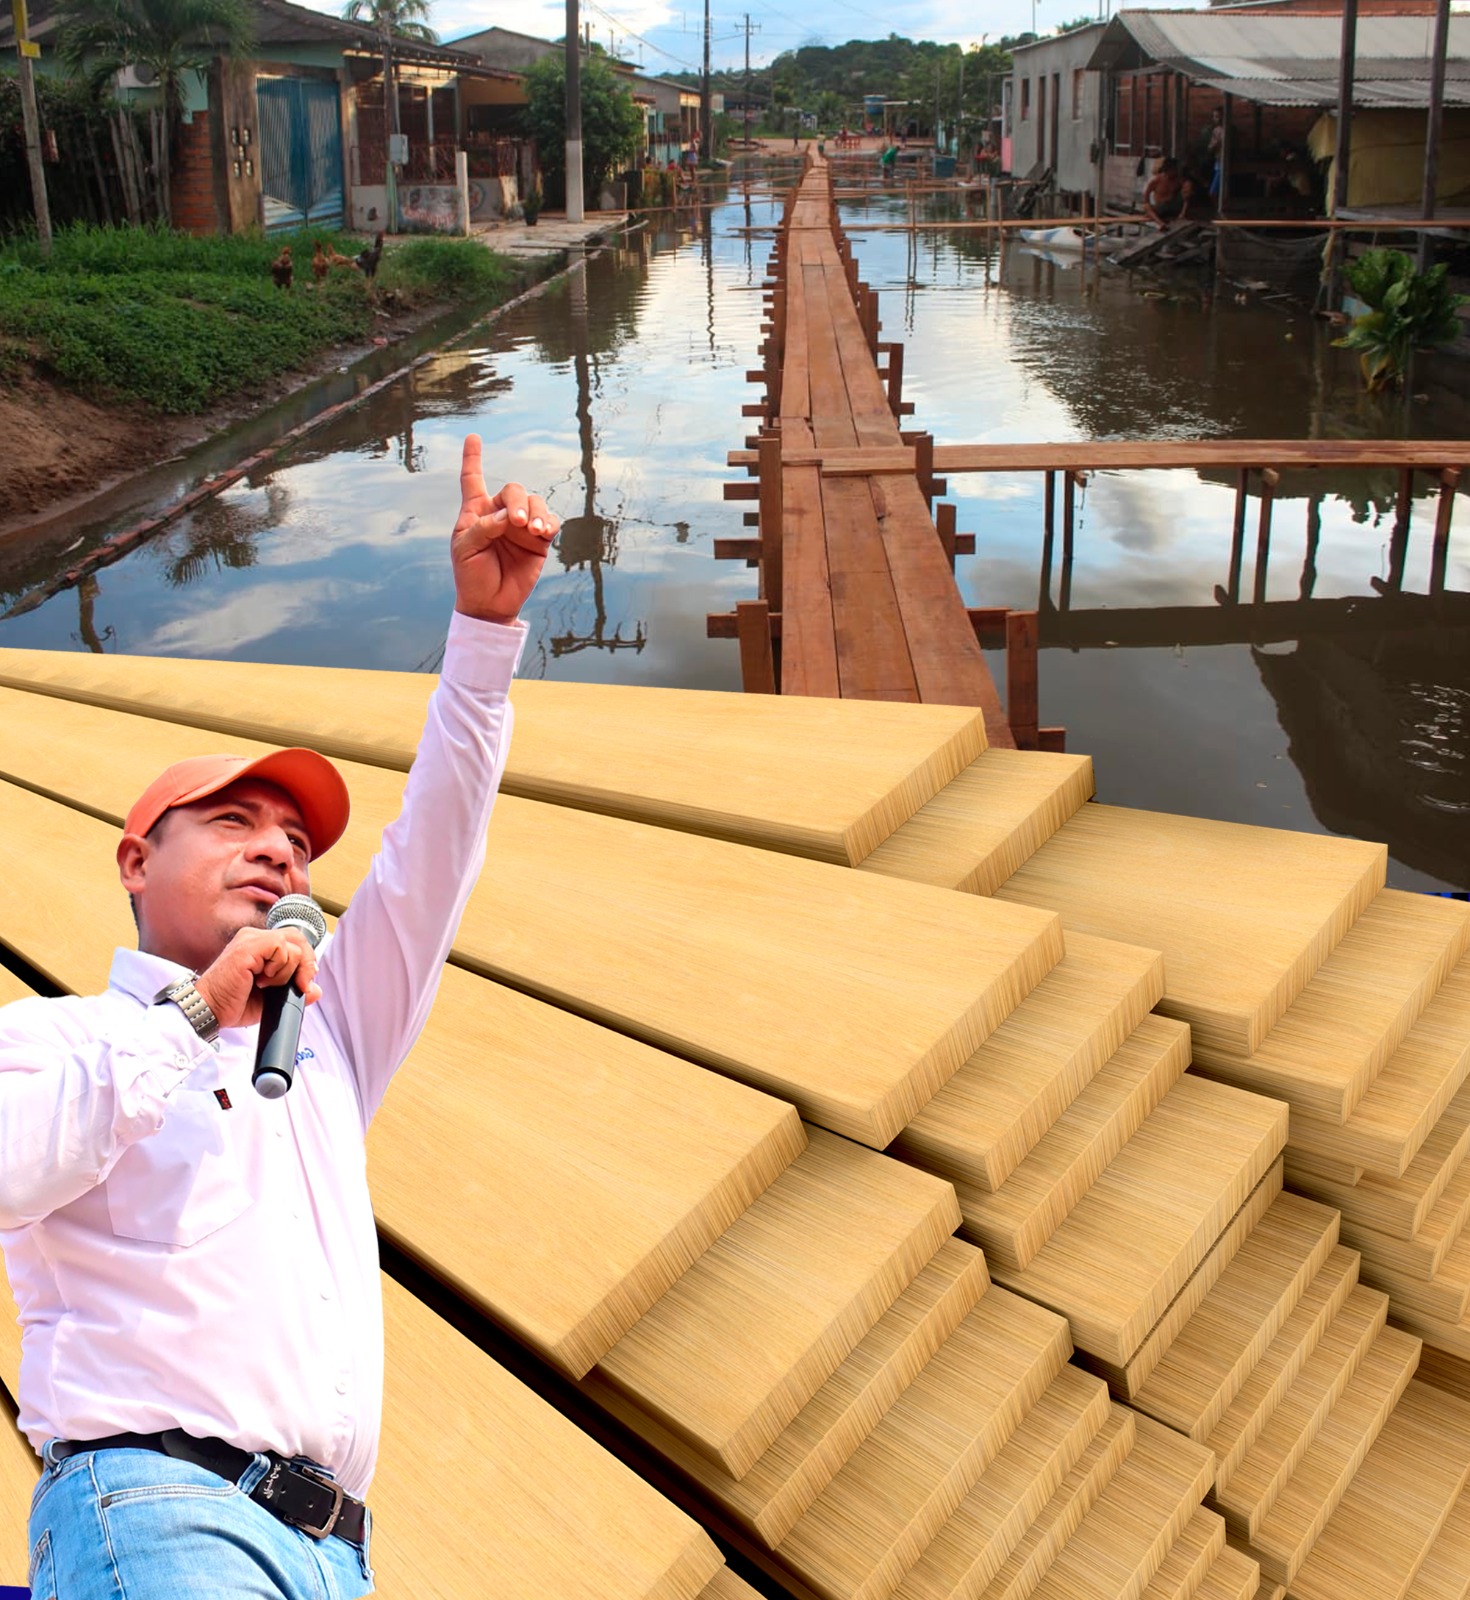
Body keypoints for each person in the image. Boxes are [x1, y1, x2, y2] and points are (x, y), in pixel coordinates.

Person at [3, 438, 560, 1599]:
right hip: (156, 1509)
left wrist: (484, 640)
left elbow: (434, 854)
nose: (278, 848)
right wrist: (199, 1010)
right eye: (236, 821)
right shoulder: (56, 1040)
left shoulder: (328, 1041)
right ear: (134, 859)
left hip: (335, 1550)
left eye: (298, 843)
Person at [1143, 156, 1185, 226]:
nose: (1176, 172)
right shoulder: (1157, 180)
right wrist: (1148, 205)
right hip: (1161, 208)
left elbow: (1186, 197)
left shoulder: (1178, 180)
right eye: (1173, 170)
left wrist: (1183, 212)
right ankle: (1160, 223)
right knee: (1147, 207)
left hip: (1173, 207)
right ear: (1168, 169)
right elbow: (1146, 196)